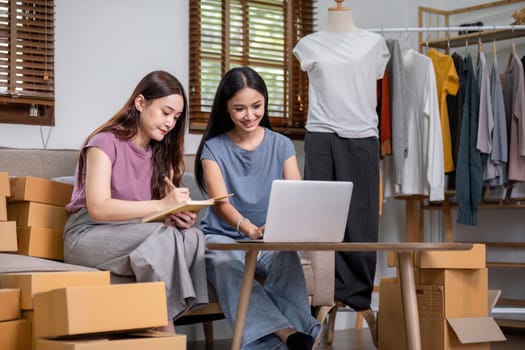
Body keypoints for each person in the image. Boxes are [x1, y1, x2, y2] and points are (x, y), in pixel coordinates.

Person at [63, 70, 208, 333]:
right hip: (87, 234)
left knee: (192, 235)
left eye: (176, 117)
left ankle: (160, 323)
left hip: (133, 233)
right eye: (165, 112)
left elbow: (147, 219)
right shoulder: (103, 143)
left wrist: (175, 214)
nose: (170, 123)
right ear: (140, 103)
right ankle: (167, 330)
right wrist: (162, 206)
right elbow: (98, 208)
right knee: (164, 238)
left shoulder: (162, 155)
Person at [194, 66, 321, 350]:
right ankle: (292, 334)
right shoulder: (213, 148)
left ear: (265, 102)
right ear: (226, 109)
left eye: (256, 106)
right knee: (226, 263)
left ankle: (284, 338)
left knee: (286, 258)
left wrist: (278, 229)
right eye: (239, 108)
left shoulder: (282, 145)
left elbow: (296, 195)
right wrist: (248, 228)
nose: (249, 115)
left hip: (268, 236)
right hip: (222, 235)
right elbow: (221, 203)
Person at [293, 2, 390, 347]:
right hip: (320, 135)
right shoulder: (309, 44)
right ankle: (323, 300)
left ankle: (358, 298)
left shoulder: (374, 44)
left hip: (363, 136)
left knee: (362, 224)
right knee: (318, 225)